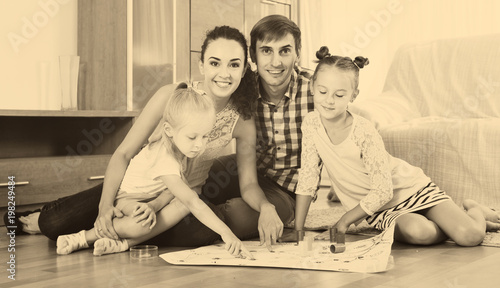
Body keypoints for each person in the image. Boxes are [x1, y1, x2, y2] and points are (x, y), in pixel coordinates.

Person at [9, 25, 284, 250]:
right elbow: (124, 153)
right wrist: (106, 206)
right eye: (215, 63)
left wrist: (267, 207)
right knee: (53, 223)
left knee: (200, 230)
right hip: (135, 186)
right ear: (201, 65)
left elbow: (248, 184)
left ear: (244, 69)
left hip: (177, 196)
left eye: (234, 65)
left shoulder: (243, 119)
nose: (224, 74)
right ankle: (75, 222)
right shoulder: (172, 95)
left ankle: (120, 236)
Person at [291, 46, 500, 246]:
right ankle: (456, 220)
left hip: (410, 189)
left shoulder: (363, 131)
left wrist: (345, 220)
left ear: (353, 95)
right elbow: (308, 178)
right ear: (312, 87)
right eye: (323, 92)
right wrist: (298, 230)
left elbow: (383, 190)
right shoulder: (310, 125)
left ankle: (474, 211)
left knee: (470, 236)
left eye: (339, 95)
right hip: (378, 208)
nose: (329, 101)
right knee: (420, 233)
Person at [56, 87, 253, 258]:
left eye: (205, 136)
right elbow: (193, 203)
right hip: (128, 199)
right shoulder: (165, 158)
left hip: (153, 197)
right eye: (193, 137)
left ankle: (123, 244)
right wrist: (227, 233)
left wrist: (154, 204)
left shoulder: (182, 146)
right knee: (142, 224)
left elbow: (175, 191)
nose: (199, 145)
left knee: (187, 198)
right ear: (168, 129)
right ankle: (84, 237)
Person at [200, 14, 315, 247]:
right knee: (197, 177)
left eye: (285, 51)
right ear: (252, 56)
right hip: (243, 169)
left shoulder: (315, 91)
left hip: (285, 189)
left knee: (238, 216)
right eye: (266, 51)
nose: (276, 62)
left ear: (298, 53)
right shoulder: (240, 83)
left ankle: (185, 220)